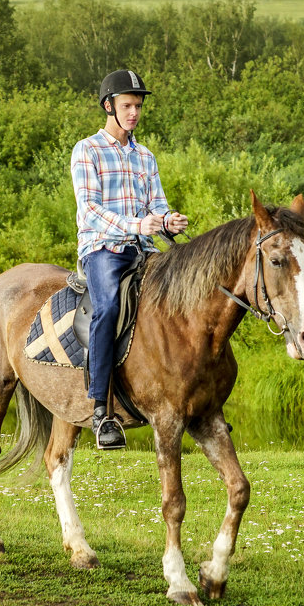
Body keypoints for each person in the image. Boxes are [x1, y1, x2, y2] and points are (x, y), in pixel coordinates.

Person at [71, 69, 189, 449]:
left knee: (183, 299)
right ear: (109, 106)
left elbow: (157, 206)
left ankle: (191, 397)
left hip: (143, 249)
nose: (134, 112)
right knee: (106, 308)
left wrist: (169, 221)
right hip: (102, 249)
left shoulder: (146, 156)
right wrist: (138, 224)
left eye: (138, 105)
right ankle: (101, 411)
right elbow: (89, 211)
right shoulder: (87, 150)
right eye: (127, 105)